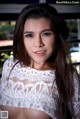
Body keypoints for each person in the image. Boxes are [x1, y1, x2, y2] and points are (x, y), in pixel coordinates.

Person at [0, 3, 80, 119]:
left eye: (46, 34)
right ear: (21, 38)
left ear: (57, 37)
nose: (38, 44)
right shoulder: (10, 66)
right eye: (29, 35)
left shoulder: (67, 75)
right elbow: (2, 112)